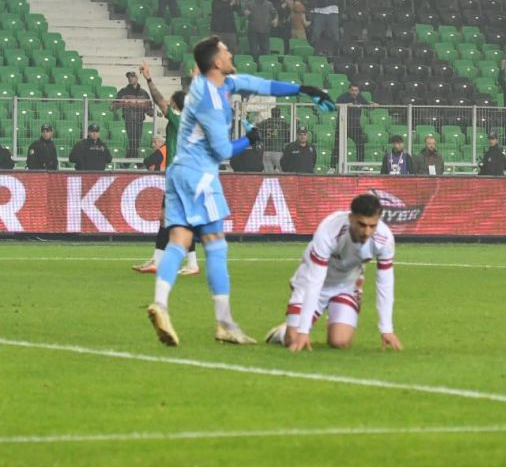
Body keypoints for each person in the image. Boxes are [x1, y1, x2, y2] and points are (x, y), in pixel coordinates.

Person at [145, 36, 335, 348]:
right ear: (216, 62)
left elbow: (261, 85)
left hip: (178, 173)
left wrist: (303, 89)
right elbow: (221, 151)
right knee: (216, 245)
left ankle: (161, 304)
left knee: (179, 239)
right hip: (200, 174)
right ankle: (224, 323)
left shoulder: (222, 84)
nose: (231, 52)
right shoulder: (210, 100)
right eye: (225, 51)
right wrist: (250, 141)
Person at [264, 193, 401, 351]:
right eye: (362, 225)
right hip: (312, 281)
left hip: (346, 285)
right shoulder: (329, 231)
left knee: (340, 342)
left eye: (372, 226)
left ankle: (331, 317)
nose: (367, 232)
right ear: (351, 218)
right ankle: (282, 332)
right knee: (293, 339)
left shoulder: (384, 239)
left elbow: (385, 283)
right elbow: (315, 279)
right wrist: (303, 331)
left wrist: (386, 329)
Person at [133, 63, 198, 276]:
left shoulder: (179, 119)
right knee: (168, 218)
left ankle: (184, 263)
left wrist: (149, 79)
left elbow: (159, 101)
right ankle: (163, 261)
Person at [112, 70, 152, 157]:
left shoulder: (144, 93)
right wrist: (124, 103)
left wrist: (155, 113)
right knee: (133, 142)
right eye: (129, 77)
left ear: (137, 78)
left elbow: (149, 109)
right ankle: (136, 163)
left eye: (132, 76)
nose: (130, 78)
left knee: (135, 143)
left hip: (139, 121)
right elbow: (113, 106)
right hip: (129, 120)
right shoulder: (123, 91)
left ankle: (127, 163)